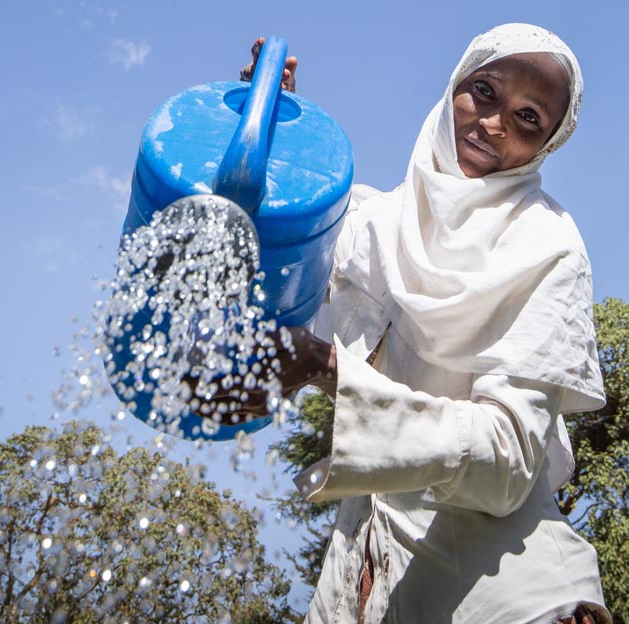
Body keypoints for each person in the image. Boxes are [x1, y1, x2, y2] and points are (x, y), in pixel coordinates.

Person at [238, 24, 610, 624]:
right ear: (454, 86)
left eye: (528, 118)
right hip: (359, 578)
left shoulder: (547, 246)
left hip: (502, 595)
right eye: (484, 91)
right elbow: (279, 271)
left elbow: (507, 465)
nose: (494, 124)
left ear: (546, 145)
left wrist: (328, 369)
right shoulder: (369, 224)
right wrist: (278, 137)